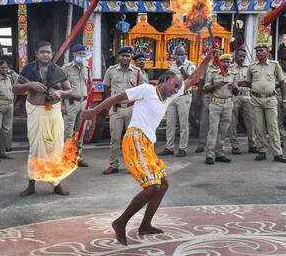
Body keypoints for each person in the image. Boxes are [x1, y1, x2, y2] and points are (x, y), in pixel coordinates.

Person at [81, 49, 215, 246]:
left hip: (148, 143)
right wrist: (94, 111)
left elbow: (194, 77)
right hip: (135, 139)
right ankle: (120, 222)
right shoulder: (147, 89)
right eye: (174, 85)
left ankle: (145, 225)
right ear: (165, 79)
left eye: (178, 87)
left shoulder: (170, 95)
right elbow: (117, 97)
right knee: (152, 186)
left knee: (163, 185)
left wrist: (209, 57)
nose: (176, 89)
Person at [13, 41, 72, 196]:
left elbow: (69, 90)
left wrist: (60, 93)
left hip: (54, 111)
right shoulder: (28, 69)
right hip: (36, 111)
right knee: (36, 148)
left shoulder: (58, 70)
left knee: (56, 148)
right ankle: (31, 184)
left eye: (48, 52)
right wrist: (30, 85)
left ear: (52, 54)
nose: (46, 54)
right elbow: (15, 88)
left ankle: (57, 184)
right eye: (42, 52)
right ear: (36, 54)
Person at [102, 46, 143, 175]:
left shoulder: (137, 72)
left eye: (128, 56)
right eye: (123, 56)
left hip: (131, 109)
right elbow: (106, 87)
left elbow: (142, 89)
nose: (125, 58)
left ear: (131, 58)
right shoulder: (111, 71)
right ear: (119, 57)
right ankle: (113, 164)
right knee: (115, 138)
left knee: (131, 139)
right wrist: (110, 102)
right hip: (116, 109)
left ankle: (132, 165)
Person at [245, 43, 286, 163]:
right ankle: (262, 151)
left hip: (270, 99)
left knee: (273, 126)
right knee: (259, 127)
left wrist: (284, 99)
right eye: (257, 51)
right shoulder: (252, 66)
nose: (259, 53)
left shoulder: (275, 65)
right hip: (256, 99)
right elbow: (248, 82)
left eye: (261, 50)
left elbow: (282, 82)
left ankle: (278, 153)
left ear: (267, 52)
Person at [158, 46, 196, 157]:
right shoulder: (172, 64)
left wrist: (180, 66)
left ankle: (182, 148)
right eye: (178, 54)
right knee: (170, 123)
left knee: (183, 123)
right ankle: (169, 147)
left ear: (186, 54)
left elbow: (189, 79)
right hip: (172, 97)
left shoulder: (190, 65)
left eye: (182, 54)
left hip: (184, 96)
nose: (180, 56)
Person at [204, 54, 238, 164]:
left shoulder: (233, 74)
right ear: (220, 62)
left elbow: (236, 92)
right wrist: (215, 85)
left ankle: (219, 152)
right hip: (215, 103)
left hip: (228, 103)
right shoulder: (213, 73)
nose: (226, 64)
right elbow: (206, 89)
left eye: (228, 62)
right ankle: (209, 154)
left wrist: (234, 87)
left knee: (224, 130)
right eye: (224, 62)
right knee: (213, 130)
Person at [63, 44, 92, 167]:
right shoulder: (66, 69)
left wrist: (87, 100)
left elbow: (89, 84)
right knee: (68, 132)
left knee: (80, 132)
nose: (82, 56)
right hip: (71, 102)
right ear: (74, 54)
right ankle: (67, 158)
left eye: (83, 54)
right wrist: (62, 105)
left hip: (83, 102)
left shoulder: (87, 68)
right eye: (80, 54)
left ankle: (78, 157)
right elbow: (60, 87)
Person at [228, 48, 257, 154]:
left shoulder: (249, 68)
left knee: (250, 121)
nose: (242, 58)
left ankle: (252, 144)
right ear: (235, 56)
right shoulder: (230, 68)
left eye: (244, 56)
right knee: (233, 122)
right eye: (240, 56)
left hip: (246, 96)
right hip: (234, 97)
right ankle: (235, 145)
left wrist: (239, 83)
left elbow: (251, 82)